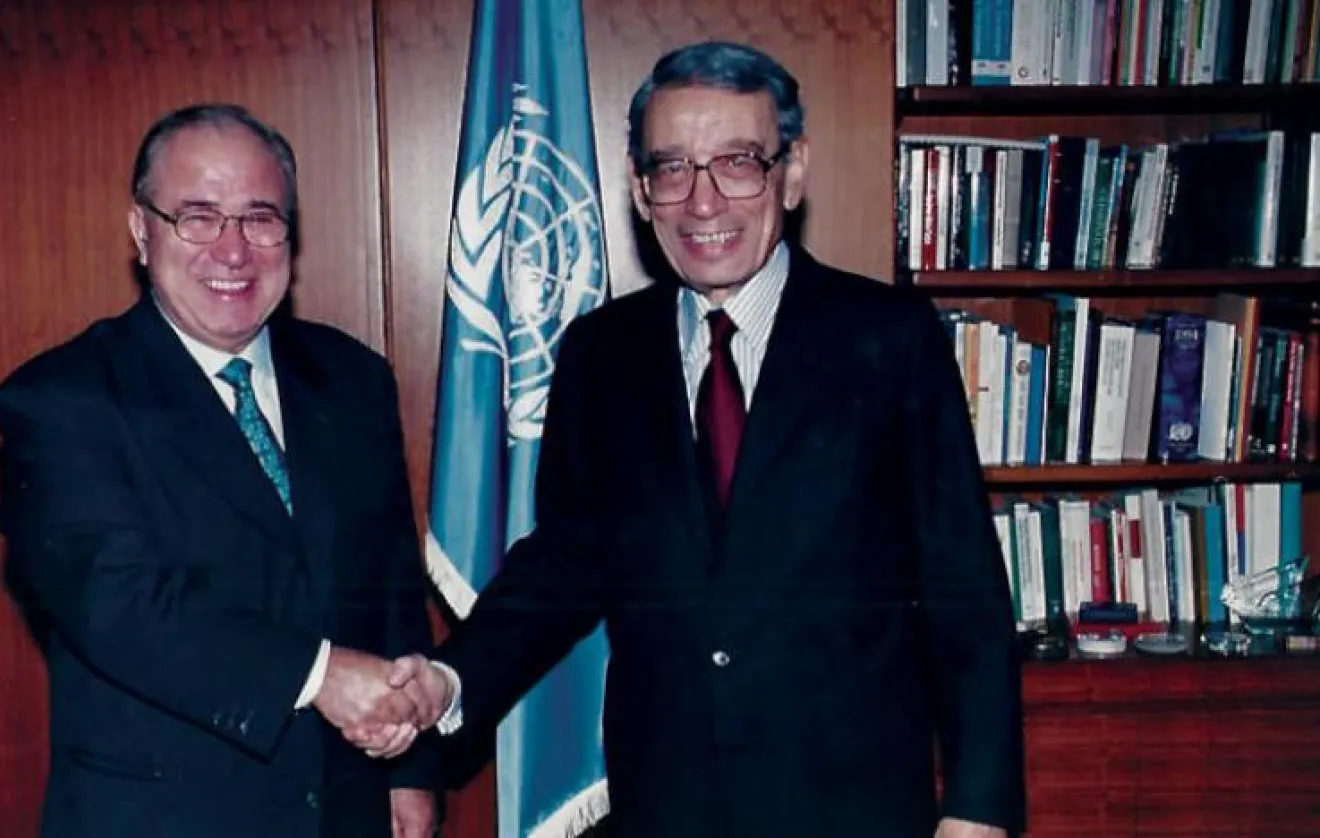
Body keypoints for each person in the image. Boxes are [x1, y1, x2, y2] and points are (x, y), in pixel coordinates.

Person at [395, 41, 1026, 837]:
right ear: (639, 189)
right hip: (667, 808)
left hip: (851, 810)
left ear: (792, 173)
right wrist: (451, 681)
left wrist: (977, 807)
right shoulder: (601, 353)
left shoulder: (890, 338)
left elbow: (962, 585)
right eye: (672, 168)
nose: (703, 202)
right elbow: (566, 561)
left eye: (737, 162)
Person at [0, 104, 441, 838]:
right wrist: (319, 675)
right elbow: (117, 606)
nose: (233, 251)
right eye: (197, 218)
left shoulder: (353, 379)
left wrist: (408, 769)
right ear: (142, 231)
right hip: (165, 815)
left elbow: (389, 582)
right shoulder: (61, 400)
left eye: (260, 219)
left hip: (347, 809)